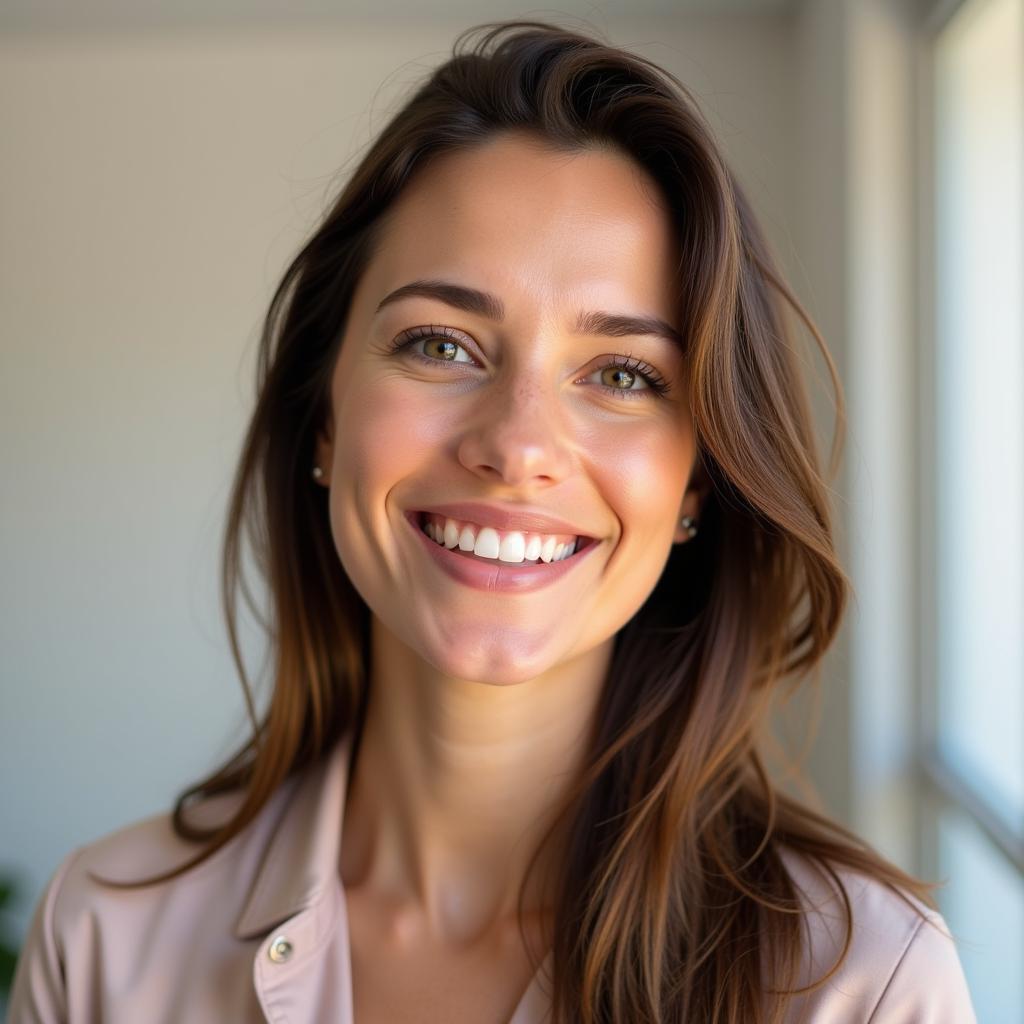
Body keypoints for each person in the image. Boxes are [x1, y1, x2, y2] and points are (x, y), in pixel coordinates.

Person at [8, 20, 976, 1024]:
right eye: (440, 344)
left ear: (696, 482)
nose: (517, 447)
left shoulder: (866, 983)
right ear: (325, 416)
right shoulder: (104, 940)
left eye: (621, 374)